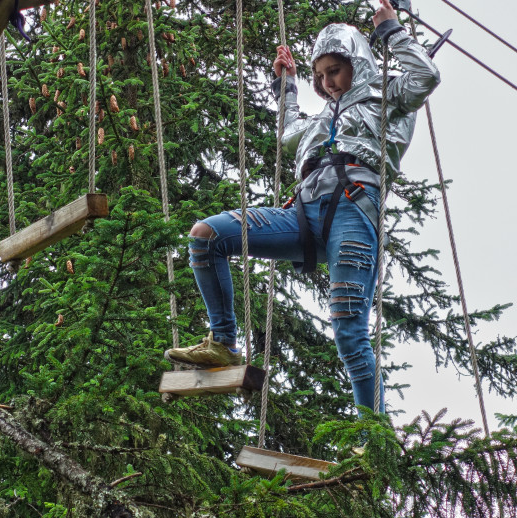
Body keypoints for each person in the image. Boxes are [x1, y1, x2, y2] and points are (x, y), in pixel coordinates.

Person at [164, 0, 440, 413]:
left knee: (349, 331)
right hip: (303, 214)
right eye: (321, 75)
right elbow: (289, 131)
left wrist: (391, 31)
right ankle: (222, 341)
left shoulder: (388, 98)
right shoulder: (319, 122)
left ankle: (372, 435)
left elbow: (426, 75)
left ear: (356, 65)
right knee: (206, 236)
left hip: (353, 211)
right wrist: (288, 85)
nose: (328, 82)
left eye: (335, 71)